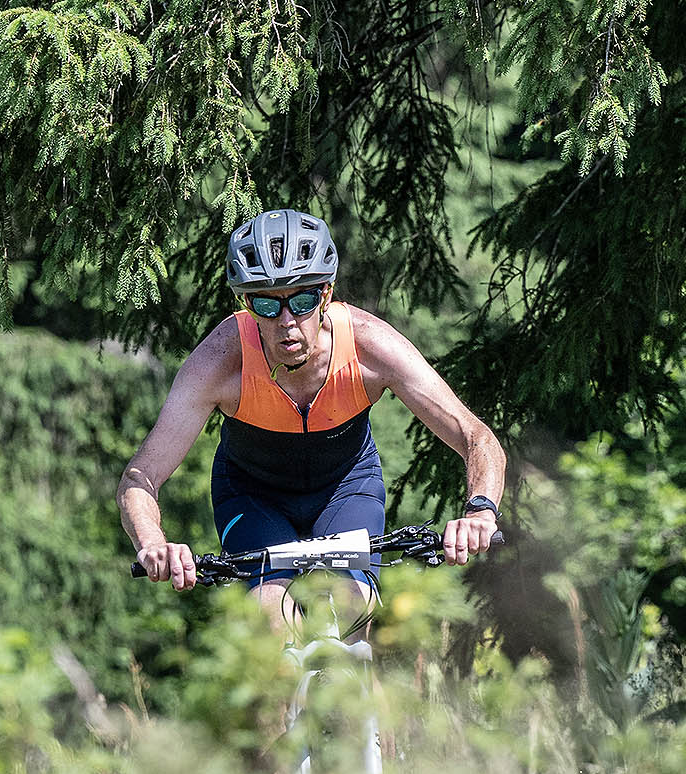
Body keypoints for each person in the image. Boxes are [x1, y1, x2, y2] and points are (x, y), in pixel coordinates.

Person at [118, 208, 505, 619]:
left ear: (325, 294)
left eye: (301, 301)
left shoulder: (370, 347)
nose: (287, 322)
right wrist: (153, 542)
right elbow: (140, 477)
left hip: (346, 489)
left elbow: (476, 436)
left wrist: (480, 511)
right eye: (267, 305)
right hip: (252, 497)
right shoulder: (219, 362)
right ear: (247, 303)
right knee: (269, 614)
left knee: (353, 605)